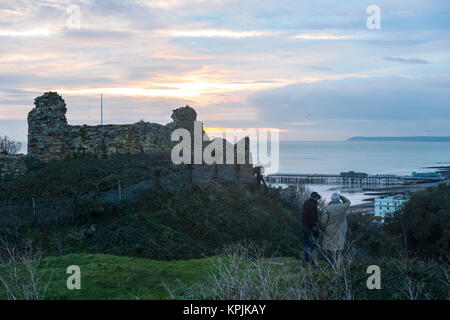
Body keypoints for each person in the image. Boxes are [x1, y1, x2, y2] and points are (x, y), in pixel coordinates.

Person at [320, 192, 351, 267]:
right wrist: (341, 196)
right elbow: (348, 202)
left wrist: (322, 229)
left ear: (331, 199)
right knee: (338, 249)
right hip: (341, 231)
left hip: (329, 232)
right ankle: (338, 266)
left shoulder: (326, 209)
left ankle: (331, 265)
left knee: (329, 249)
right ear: (338, 199)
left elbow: (323, 222)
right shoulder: (343, 207)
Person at [302, 191, 321, 267]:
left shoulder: (306, 203)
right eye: (317, 198)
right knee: (312, 245)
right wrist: (315, 228)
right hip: (311, 228)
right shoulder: (314, 205)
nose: (318, 199)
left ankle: (305, 262)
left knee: (306, 244)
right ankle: (312, 263)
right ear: (315, 197)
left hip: (304, 226)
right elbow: (314, 219)